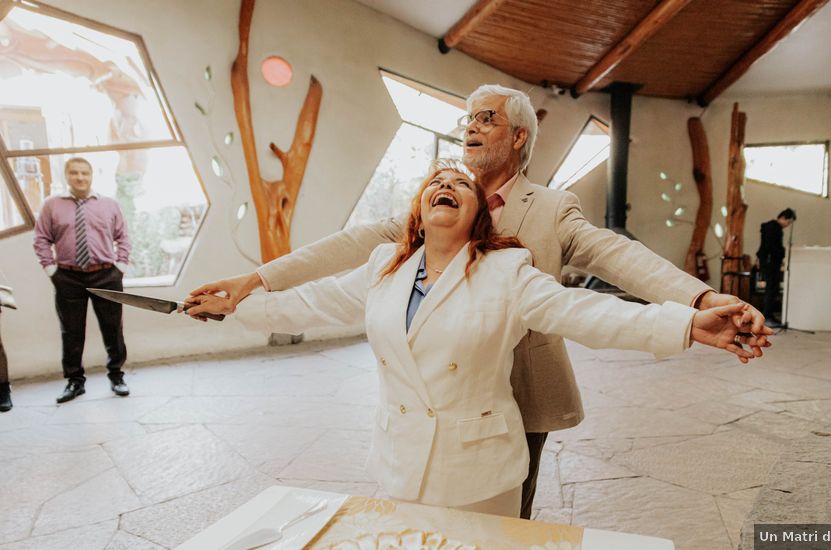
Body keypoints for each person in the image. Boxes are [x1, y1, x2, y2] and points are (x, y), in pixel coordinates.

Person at [187, 84, 773, 519]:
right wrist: (256, 282)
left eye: (486, 119)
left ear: (518, 136)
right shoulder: (430, 210)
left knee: (506, 517)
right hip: (432, 397)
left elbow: (616, 264)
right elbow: (346, 251)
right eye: (467, 119)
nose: (470, 127)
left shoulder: (551, 208)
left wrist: (698, 301)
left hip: (522, 387)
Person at [33, 157, 132, 404]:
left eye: (84, 173)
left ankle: (117, 376)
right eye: (75, 173)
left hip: (106, 274)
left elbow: (123, 237)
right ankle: (74, 382)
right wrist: (51, 270)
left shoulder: (109, 205)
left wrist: (120, 266)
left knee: (113, 328)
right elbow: (41, 238)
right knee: (72, 332)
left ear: (91, 175)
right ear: (67, 176)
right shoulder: (51, 206)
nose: (80, 178)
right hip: (68, 277)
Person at [755, 208, 796, 325]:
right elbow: (772, 247)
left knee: (772, 289)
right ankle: (767, 316)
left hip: (767, 261)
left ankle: (768, 315)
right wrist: (783, 253)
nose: (787, 225)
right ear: (783, 218)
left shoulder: (769, 227)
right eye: (788, 222)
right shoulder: (775, 228)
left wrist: (759, 257)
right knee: (772, 289)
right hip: (770, 262)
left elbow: (764, 246)